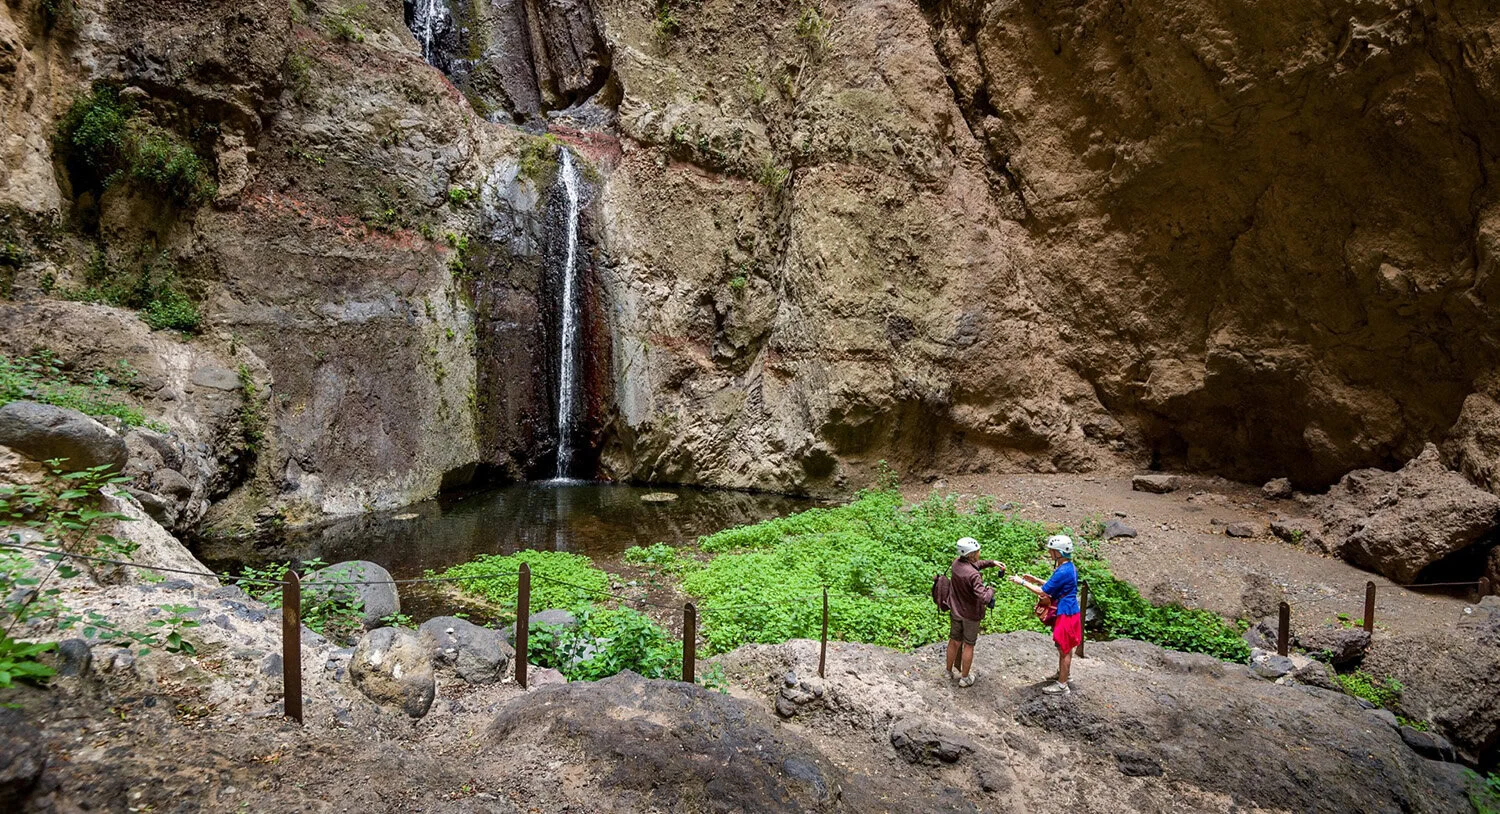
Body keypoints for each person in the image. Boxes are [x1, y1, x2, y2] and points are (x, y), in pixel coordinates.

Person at [1013, 535, 1081, 695]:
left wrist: (1022, 582)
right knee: (1063, 646)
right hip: (1069, 609)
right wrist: (1035, 579)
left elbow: (1043, 591)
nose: (1050, 553)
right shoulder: (1068, 567)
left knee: (1064, 648)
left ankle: (1062, 685)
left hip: (1066, 612)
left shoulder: (1063, 570)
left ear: (1059, 552)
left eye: (1052, 551)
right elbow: (1054, 584)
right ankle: (1064, 674)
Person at [945, 537, 1004, 687]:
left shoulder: (956, 564)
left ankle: (948, 671)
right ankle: (965, 678)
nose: (979, 553)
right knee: (969, 645)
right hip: (970, 615)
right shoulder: (973, 575)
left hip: (956, 611)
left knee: (954, 640)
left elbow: (973, 566)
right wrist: (991, 589)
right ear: (971, 554)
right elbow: (984, 598)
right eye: (977, 552)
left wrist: (991, 563)